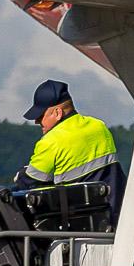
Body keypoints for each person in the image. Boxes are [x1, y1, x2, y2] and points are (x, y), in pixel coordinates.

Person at [14, 78, 121, 220]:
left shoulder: (51, 141)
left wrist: (21, 175)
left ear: (57, 113)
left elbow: (29, 183)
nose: (37, 121)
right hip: (116, 215)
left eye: (40, 116)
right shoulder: (99, 126)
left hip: (81, 225)